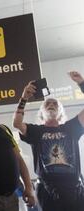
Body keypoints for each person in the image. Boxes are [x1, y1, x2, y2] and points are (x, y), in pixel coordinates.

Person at [13, 71, 84, 211]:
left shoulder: (71, 127)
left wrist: (82, 83)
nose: (51, 104)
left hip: (74, 189)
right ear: (41, 112)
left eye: (55, 104)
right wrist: (24, 98)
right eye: (47, 103)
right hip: (47, 190)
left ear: (61, 112)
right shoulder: (36, 131)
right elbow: (17, 123)